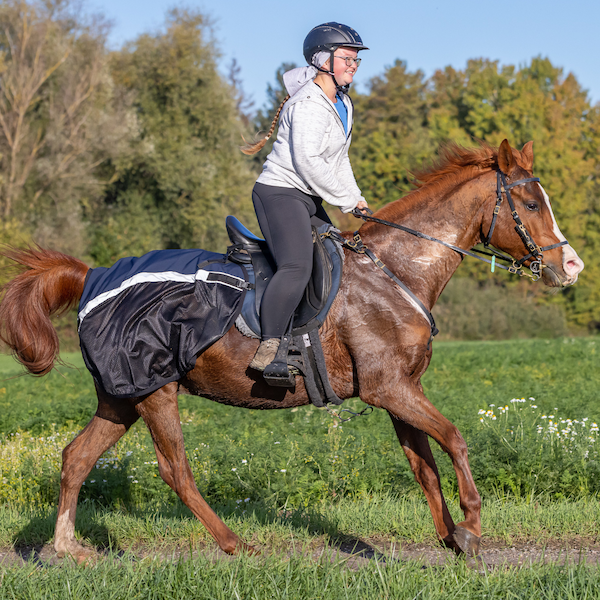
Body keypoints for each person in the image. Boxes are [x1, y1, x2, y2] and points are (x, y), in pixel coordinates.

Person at [241, 22, 369, 372]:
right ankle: (270, 348)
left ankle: (313, 338)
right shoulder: (309, 104)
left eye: (356, 60)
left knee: (337, 259)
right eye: (347, 58)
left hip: (306, 198)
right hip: (280, 193)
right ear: (322, 59)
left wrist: (356, 198)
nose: (353, 65)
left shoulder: (343, 103)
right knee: (297, 266)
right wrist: (344, 200)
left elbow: (338, 159)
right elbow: (309, 163)